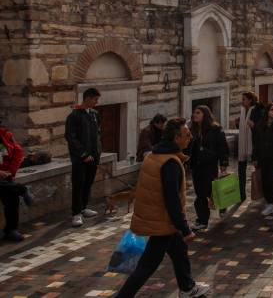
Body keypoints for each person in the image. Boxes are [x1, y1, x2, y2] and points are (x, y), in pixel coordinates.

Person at [116, 118, 211, 298]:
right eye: (187, 135)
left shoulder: (154, 155)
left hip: (159, 219)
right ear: (176, 138)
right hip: (163, 222)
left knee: (179, 251)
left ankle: (187, 287)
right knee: (147, 266)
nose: (190, 137)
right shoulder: (170, 164)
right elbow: (172, 200)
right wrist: (185, 228)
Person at [65, 87, 102, 227]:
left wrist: (97, 152)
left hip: (93, 157)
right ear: (88, 98)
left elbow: (97, 133)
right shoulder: (74, 116)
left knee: (88, 183)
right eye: (95, 99)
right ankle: (76, 213)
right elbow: (70, 137)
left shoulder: (94, 114)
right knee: (78, 184)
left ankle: (84, 207)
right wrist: (83, 154)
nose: (96, 102)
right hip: (80, 158)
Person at [188, 105, 229, 231]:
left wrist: (223, 163)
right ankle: (202, 221)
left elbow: (222, 146)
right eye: (194, 113)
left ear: (205, 114)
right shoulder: (192, 130)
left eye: (198, 112)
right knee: (200, 194)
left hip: (209, 165)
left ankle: (222, 205)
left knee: (210, 191)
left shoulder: (215, 129)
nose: (195, 115)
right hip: (196, 166)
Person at [0, 126, 33, 242]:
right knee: (9, 187)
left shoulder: (5, 135)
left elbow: (18, 152)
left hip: (3, 178)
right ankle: (22, 189)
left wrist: (10, 172)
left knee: (11, 195)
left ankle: (11, 230)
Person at [237, 92, 264, 202]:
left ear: (250, 100)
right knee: (241, 170)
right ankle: (241, 194)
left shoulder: (257, 111)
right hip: (242, 145)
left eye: (244, 99)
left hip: (254, 144)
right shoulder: (243, 110)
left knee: (258, 169)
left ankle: (261, 192)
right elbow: (243, 127)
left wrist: (254, 126)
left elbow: (262, 127)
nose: (242, 101)